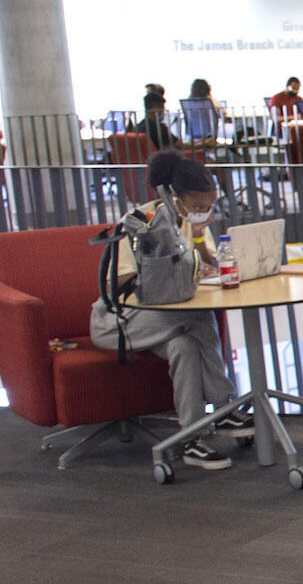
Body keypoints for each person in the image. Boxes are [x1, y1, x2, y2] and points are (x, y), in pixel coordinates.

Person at [88, 150, 251, 471]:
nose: (204, 213)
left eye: (210, 206)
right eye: (198, 208)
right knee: (197, 317)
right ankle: (224, 405)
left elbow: (209, 265)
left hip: (166, 324)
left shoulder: (189, 224)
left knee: (184, 347)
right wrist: (160, 271)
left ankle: (192, 438)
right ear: (174, 197)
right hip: (119, 323)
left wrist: (200, 239)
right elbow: (116, 284)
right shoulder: (141, 223)